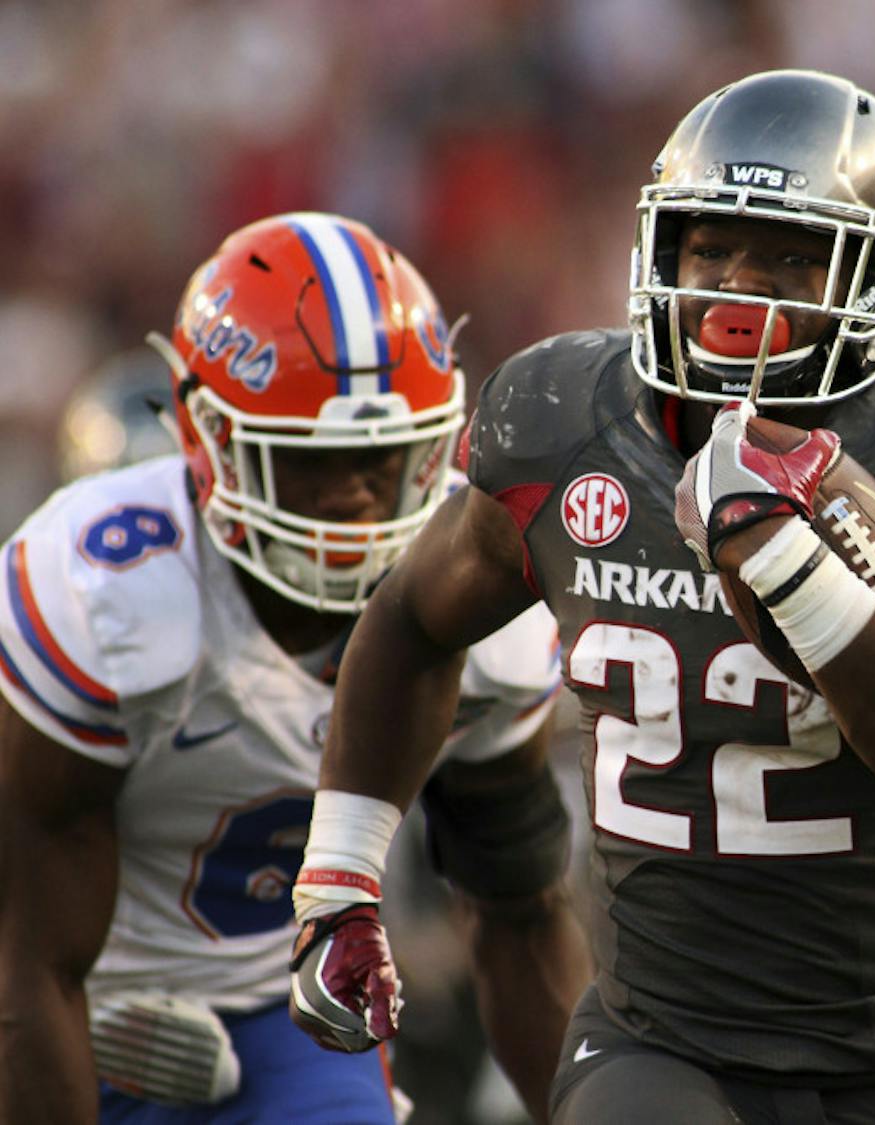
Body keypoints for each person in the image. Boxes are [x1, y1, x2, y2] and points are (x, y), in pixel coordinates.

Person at [286, 69, 875, 1124]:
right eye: (710, 248)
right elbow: (405, 624)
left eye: (790, 258)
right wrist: (341, 876)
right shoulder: (563, 427)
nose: (735, 292)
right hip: (661, 1043)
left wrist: (791, 569)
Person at [0, 211, 591, 1124]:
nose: (355, 498)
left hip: (282, 1008)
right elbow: (28, 968)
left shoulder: (477, 600)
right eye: (314, 465)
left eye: (383, 459)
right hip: (56, 989)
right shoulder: (103, 592)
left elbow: (518, 921)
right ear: (208, 439)